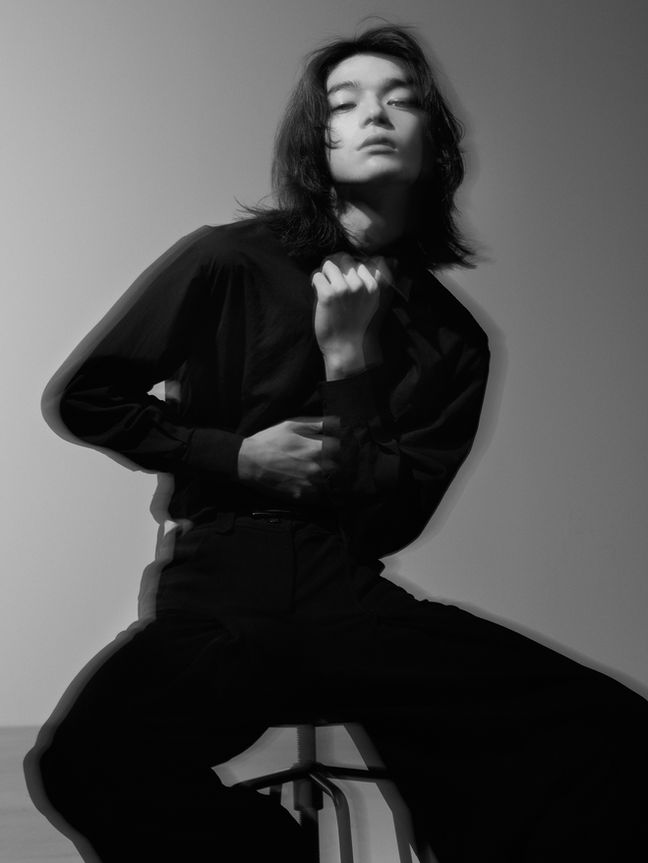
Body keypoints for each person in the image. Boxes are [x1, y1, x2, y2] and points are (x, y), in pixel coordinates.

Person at [25, 24, 647, 863]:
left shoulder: (455, 339)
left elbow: (391, 522)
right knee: (82, 764)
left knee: (608, 732)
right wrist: (236, 456)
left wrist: (348, 360)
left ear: (435, 142)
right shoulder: (229, 259)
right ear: (316, 144)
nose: (375, 114)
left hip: (346, 596)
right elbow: (88, 399)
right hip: (224, 586)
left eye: (401, 99)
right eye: (346, 104)